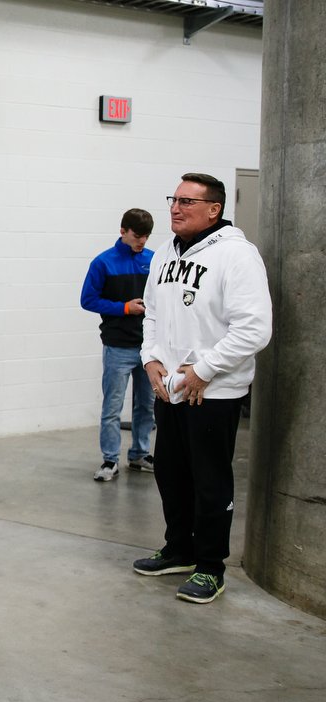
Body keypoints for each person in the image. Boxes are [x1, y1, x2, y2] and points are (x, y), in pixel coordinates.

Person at [132, 173, 272, 603]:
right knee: (172, 475)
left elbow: (254, 330)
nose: (175, 208)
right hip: (170, 389)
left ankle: (211, 566)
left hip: (213, 393)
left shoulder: (237, 256)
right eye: (173, 199)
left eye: (187, 202)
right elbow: (151, 313)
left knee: (210, 482)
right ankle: (180, 550)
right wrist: (151, 359)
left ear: (214, 209)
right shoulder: (162, 255)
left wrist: (203, 371)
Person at [79, 208, 156, 482]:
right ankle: (110, 460)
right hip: (118, 347)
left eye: (146, 236)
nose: (142, 242)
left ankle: (139, 454)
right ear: (123, 231)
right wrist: (124, 307)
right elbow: (87, 300)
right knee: (112, 407)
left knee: (146, 405)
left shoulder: (153, 261)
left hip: (149, 348)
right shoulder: (103, 263)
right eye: (137, 236)